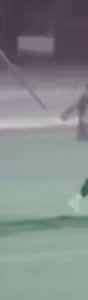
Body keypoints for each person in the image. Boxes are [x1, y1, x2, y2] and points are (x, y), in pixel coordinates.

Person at [60, 84, 88, 214]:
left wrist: (65, 114)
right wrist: (66, 114)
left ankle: (76, 200)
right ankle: (76, 199)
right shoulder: (84, 98)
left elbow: (73, 107)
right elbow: (74, 107)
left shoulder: (84, 97)